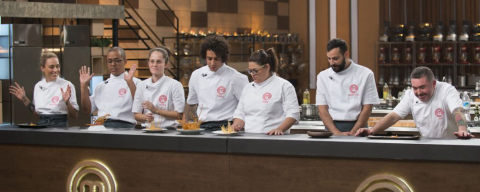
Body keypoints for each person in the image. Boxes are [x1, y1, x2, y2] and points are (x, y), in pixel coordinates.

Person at [356, 66, 473, 139]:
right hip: (427, 142)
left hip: (451, 143)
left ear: (433, 84)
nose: (418, 92)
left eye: (422, 87)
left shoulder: (447, 90)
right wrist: (372, 131)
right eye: (415, 88)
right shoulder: (410, 95)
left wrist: (462, 130)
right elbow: (393, 116)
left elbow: (457, 111)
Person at [316, 38, 379, 135]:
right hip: (332, 127)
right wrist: (337, 133)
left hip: (358, 127)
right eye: (329, 58)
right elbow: (322, 110)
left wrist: (353, 132)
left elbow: (367, 108)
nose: (332, 63)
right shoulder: (322, 76)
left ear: (346, 55)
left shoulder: (366, 74)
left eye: (335, 58)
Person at [186, 35, 249, 130]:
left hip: (227, 126)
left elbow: (246, 106)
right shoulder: (196, 75)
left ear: (223, 58)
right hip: (202, 126)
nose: (212, 63)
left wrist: (237, 125)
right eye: (209, 59)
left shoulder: (237, 77)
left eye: (216, 59)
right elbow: (191, 103)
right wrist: (185, 125)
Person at [232, 48, 299, 135]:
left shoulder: (284, 86)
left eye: (255, 71)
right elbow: (240, 113)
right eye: (250, 71)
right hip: (249, 138)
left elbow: (293, 114)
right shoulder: (247, 88)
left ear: (267, 67)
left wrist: (279, 129)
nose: (252, 74)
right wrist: (236, 124)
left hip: (274, 138)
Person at [9, 52, 78, 126]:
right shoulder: (38, 86)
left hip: (60, 127)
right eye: (51, 67)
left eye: (57, 66)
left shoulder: (67, 85)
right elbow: (37, 114)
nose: (55, 70)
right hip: (42, 126)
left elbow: (74, 116)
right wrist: (24, 99)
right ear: (42, 68)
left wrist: (67, 102)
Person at [79, 47, 140, 128]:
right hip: (101, 125)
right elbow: (87, 111)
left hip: (124, 125)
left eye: (117, 60)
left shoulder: (136, 82)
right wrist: (83, 86)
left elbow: (140, 106)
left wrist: (130, 83)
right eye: (109, 61)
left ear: (125, 61)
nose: (113, 64)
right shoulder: (101, 85)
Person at [132, 47, 185, 128]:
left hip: (168, 130)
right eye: (152, 61)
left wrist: (156, 110)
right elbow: (136, 114)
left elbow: (180, 115)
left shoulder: (175, 85)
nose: (155, 64)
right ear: (148, 63)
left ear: (166, 64)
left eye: (159, 61)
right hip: (147, 130)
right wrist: (146, 118)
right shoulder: (141, 85)